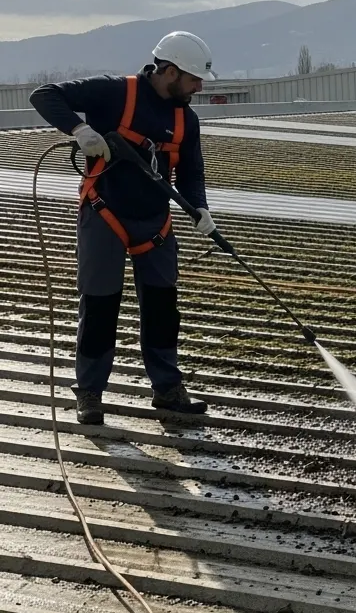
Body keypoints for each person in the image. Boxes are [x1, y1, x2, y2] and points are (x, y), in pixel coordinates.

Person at [30, 31, 219, 426]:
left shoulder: (187, 119)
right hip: (105, 212)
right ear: (168, 71)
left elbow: (190, 170)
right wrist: (79, 131)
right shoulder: (115, 92)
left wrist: (199, 206)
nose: (199, 87)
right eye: (193, 79)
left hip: (156, 222)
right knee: (100, 304)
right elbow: (45, 95)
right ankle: (90, 393)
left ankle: (168, 389)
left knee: (163, 306)